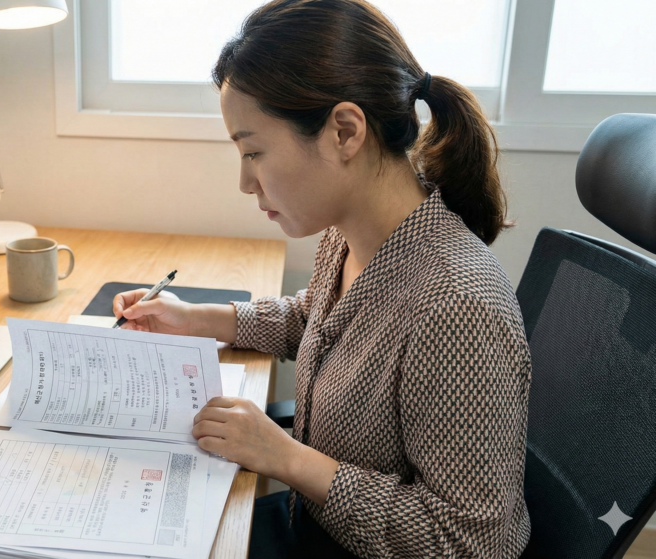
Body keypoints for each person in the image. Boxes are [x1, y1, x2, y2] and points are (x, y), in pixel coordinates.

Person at [112, 0, 532, 557]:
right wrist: (196, 319)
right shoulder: (352, 234)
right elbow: (320, 320)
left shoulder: (456, 306)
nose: (245, 182)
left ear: (344, 131)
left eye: (254, 152)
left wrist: (286, 458)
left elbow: (468, 543)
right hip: (314, 527)